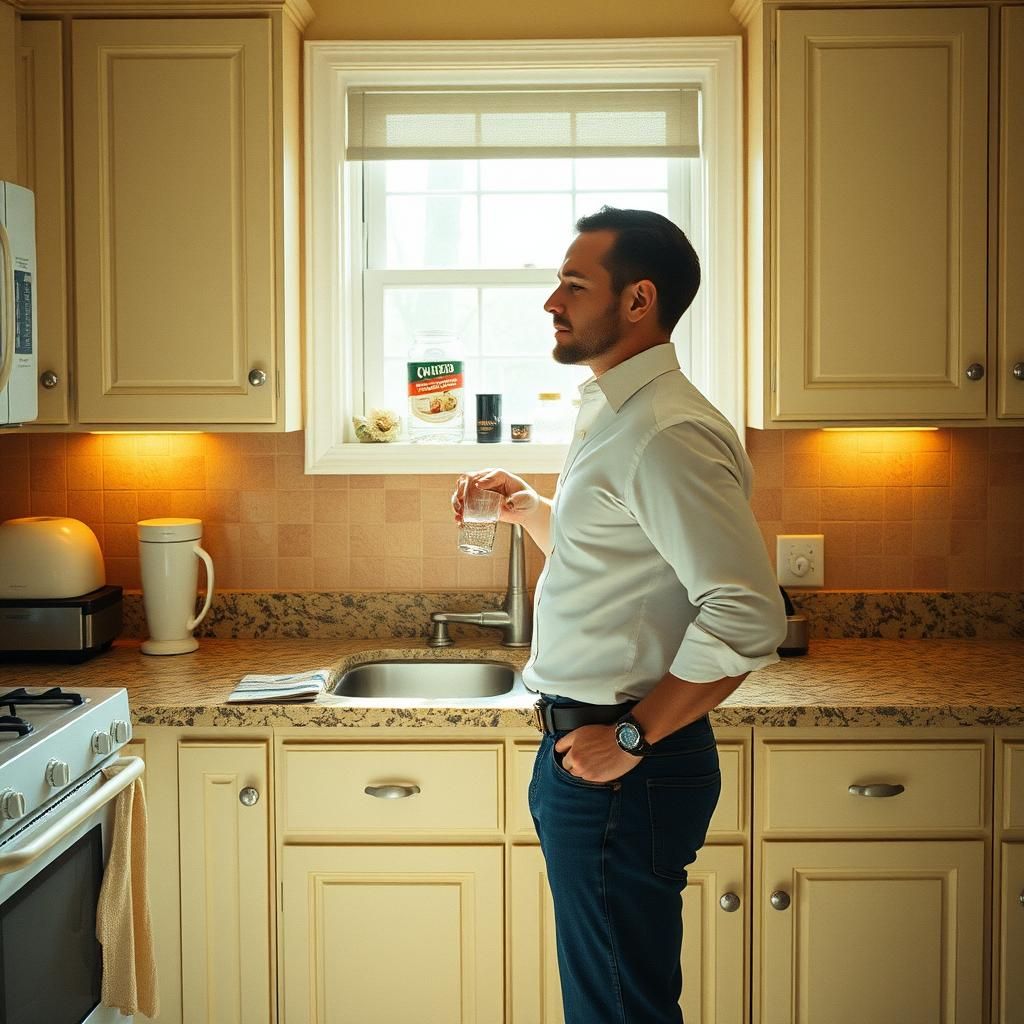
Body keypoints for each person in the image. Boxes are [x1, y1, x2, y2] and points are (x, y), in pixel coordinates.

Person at [453, 206, 786, 1024]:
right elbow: (618, 559)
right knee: (610, 999)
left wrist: (632, 737)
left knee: (619, 1009)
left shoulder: (666, 431)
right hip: (591, 752)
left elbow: (746, 612)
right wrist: (531, 511)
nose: (550, 303)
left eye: (574, 284)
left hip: (624, 758)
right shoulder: (615, 409)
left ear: (638, 300)